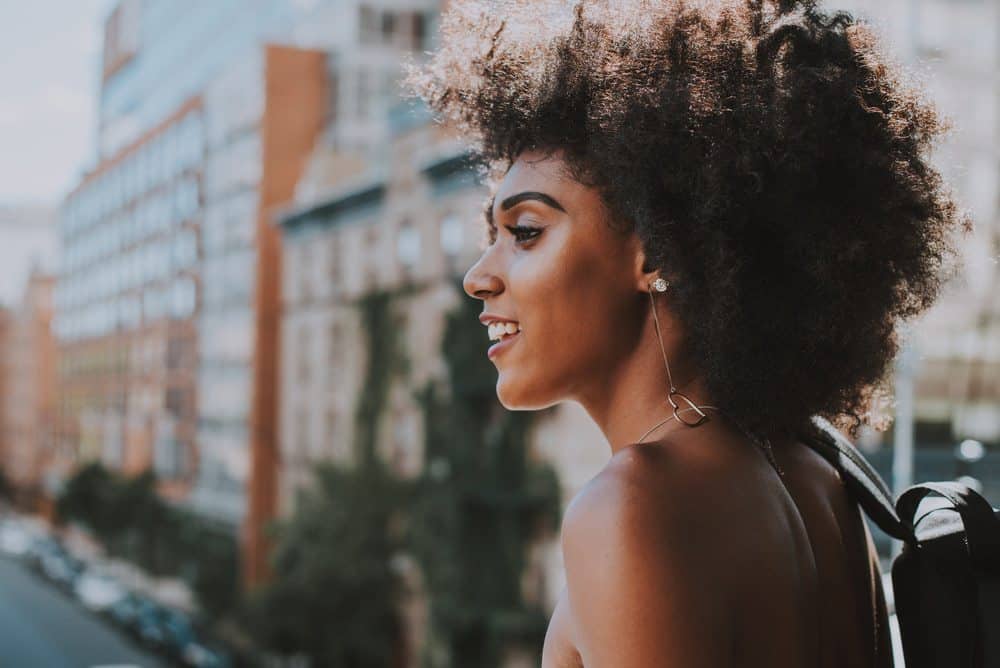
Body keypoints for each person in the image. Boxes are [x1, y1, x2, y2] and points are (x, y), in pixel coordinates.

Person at [404, 0, 970, 665]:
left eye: (525, 232)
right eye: (490, 236)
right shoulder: (821, 480)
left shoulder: (632, 507)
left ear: (658, 253)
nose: (478, 275)